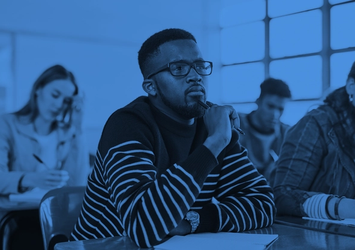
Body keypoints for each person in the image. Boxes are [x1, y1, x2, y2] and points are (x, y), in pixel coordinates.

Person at [70, 28, 275, 248]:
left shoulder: (213, 126)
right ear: (151, 87)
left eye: (199, 66)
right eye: (179, 68)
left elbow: (262, 204)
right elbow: (144, 228)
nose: (196, 76)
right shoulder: (127, 125)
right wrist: (213, 144)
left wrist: (193, 222)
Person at [0, 64, 90, 249]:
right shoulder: (6, 124)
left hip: (54, 216)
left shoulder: (67, 133)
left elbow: (76, 185)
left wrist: (78, 129)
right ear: (38, 89)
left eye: (66, 101)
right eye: (55, 95)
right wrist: (32, 179)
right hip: (17, 216)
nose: (58, 105)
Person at [272, 61, 355, 220]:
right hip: (315, 239)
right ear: (352, 86)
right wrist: (340, 207)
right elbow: (282, 196)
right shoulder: (316, 124)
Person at [238, 78, 291, 182]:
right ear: (258, 102)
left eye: (280, 109)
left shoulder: (287, 133)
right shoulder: (236, 124)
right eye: (270, 106)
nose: (275, 115)